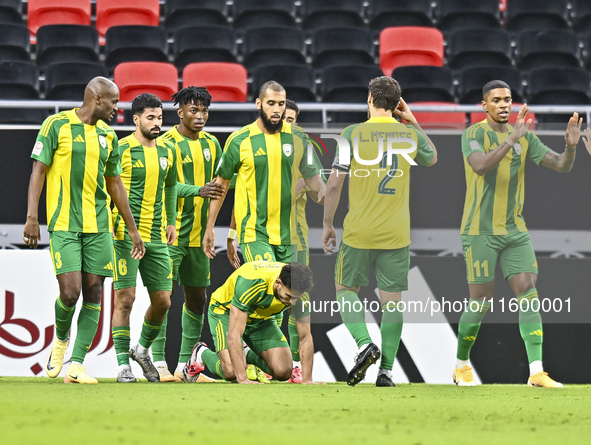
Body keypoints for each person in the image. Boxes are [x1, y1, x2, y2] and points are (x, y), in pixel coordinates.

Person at [453, 80, 581, 388]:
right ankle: (461, 365)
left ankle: (536, 371)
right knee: (481, 300)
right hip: (480, 230)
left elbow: (561, 166)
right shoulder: (473, 134)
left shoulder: (525, 138)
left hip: (515, 230)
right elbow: (480, 166)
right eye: (496, 100)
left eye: (507, 99)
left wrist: (571, 147)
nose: (503, 104)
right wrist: (511, 139)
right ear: (484, 106)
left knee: (528, 292)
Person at [23, 77, 145, 384]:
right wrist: (31, 217)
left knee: (93, 293)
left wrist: (132, 229)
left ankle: (76, 365)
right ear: (97, 99)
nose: (118, 108)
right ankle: (60, 340)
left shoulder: (108, 135)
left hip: (99, 226)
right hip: (64, 224)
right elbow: (38, 170)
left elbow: (114, 183)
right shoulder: (56, 125)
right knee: (70, 292)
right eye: (114, 102)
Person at [322, 76, 437, 387]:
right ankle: (386, 372)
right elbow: (432, 157)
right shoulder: (406, 133)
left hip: (359, 231)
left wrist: (327, 224)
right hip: (396, 233)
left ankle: (363, 345)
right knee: (393, 303)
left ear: (370, 99)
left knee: (345, 290)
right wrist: (412, 121)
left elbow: (334, 184)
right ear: (396, 103)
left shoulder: (352, 134)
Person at [151, 87, 224, 382]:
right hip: (169, 235)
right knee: (163, 299)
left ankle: (185, 366)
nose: (200, 116)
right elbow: (166, 187)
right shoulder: (166, 143)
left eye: (204, 111)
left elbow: (219, 187)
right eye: (193, 110)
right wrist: (199, 190)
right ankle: (156, 362)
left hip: (197, 238)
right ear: (179, 112)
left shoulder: (212, 144)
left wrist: (211, 229)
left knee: (196, 300)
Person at [110, 93, 177, 383]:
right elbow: (109, 188)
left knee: (163, 301)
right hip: (125, 236)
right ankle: (123, 364)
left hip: (156, 236)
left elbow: (171, 186)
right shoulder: (121, 148)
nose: (157, 123)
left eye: (160, 118)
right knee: (126, 299)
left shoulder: (166, 151)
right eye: (151, 118)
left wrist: (172, 220)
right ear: (136, 119)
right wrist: (113, 221)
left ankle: (142, 350)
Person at [182, 261, 318, 384]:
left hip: (261, 318)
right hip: (226, 311)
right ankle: (201, 353)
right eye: (289, 296)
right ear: (278, 282)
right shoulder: (252, 282)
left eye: (296, 298)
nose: (293, 303)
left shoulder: (300, 294)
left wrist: (307, 379)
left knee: (283, 372)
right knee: (231, 372)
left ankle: (245, 353)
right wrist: (243, 378)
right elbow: (234, 334)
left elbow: (305, 337)